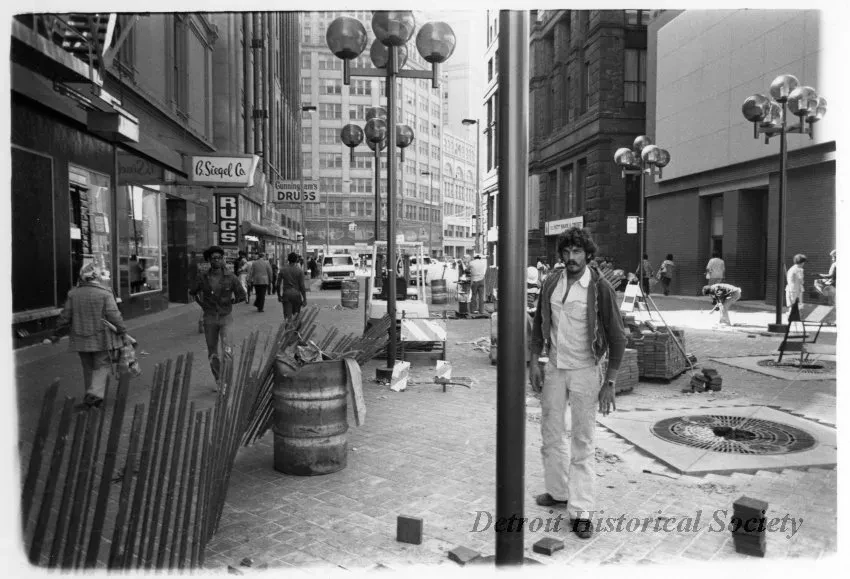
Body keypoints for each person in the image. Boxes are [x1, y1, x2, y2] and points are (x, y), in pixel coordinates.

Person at [529, 227, 627, 540]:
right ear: (561, 255)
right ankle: (558, 493)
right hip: (555, 369)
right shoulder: (551, 283)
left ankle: (582, 510)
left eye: (577, 252)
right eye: (567, 252)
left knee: (583, 442)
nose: (571, 258)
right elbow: (539, 325)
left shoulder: (599, 287)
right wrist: (534, 361)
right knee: (550, 433)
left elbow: (618, 337)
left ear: (587, 254)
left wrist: (609, 380)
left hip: (586, 370)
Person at [47, 263, 127, 409]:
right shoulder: (105, 293)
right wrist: (122, 330)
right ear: (96, 277)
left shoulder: (73, 294)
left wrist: (56, 333)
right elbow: (114, 315)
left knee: (87, 367)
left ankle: (91, 397)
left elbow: (65, 316)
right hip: (101, 337)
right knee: (102, 366)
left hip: (80, 336)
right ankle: (94, 397)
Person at [190, 245, 247, 385]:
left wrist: (231, 302)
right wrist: (202, 305)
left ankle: (226, 380)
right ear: (209, 260)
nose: (217, 260)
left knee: (228, 351)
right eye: (214, 258)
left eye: (219, 258)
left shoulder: (231, 277)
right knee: (212, 353)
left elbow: (242, 294)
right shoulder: (202, 277)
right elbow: (193, 292)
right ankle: (218, 379)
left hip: (226, 318)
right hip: (209, 319)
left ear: (223, 259)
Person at [277, 252, 307, 321]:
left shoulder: (283, 270)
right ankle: (296, 331)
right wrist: (304, 299)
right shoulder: (299, 271)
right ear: (296, 260)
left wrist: (279, 296)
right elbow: (302, 286)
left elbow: (278, 284)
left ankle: (288, 331)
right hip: (296, 294)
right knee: (296, 316)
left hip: (286, 294)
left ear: (288, 259)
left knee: (287, 318)